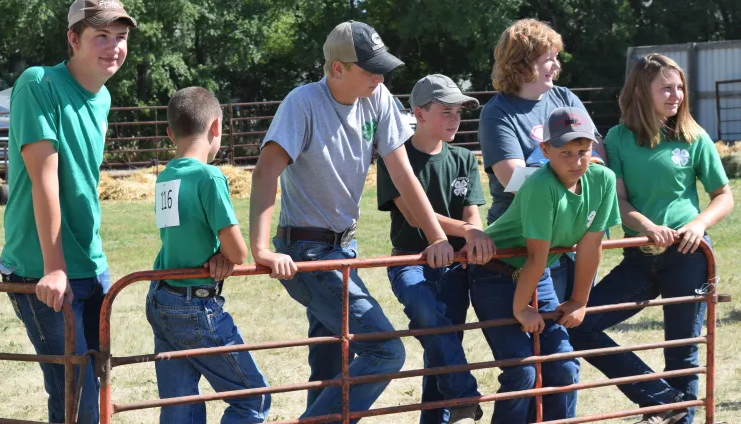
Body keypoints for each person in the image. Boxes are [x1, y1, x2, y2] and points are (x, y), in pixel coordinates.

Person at [248, 20, 455, 421]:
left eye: (382, 68)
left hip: (345, 246)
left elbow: (402, 173)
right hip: (306, 251)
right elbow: (265, 171)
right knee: (385, 350)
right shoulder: (302, 102)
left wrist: (436, 237)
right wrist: (260, 249)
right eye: (371, 68)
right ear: (337, 69)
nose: (380, 76)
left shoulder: (376, 100)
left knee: (331, 356)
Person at [568, 54, 734, 424]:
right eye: (666, 88)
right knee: (582, 324)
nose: (675, 95)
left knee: (681, 354)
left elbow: (723, 195)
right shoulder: (618, 138)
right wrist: (644, 226)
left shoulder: (693, 136)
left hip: (688, 256)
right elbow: (619, 199)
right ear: (642, 91)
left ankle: (678, 412)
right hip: (639, 257)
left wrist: (697, 224)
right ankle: (660, 398)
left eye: (679, 87)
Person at [0, 1, 136, 422]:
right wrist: (55, 268)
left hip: (90, 266)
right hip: (44, 269)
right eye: (101, 36)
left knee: (96, 388)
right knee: (78, 401)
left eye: (121, 37)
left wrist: (87, 261)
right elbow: (45, 178)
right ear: (73, 39)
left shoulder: (103, 97)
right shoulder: (39, 83)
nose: (114, 47)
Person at [470, 107, 620, 423]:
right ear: (545, 150)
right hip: (495, 274)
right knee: (522, 371)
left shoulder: (603, 180)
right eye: (565, 152)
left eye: (583, 151)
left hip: (538, 276)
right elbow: (536, 257)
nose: (576, 161)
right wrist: (522, 307)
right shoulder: (540, 186)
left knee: (564, 365)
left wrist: (580, 300)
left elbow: (591, 247)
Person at [145, 87, 270, 424]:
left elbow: (183, 233)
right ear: (217, 127)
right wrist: (224, 254)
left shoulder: (165, 176)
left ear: (171, 133)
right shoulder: (210, 176)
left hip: (162, 297)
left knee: (180, 406)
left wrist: (218, 252)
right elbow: (238, 251)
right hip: (195, 305)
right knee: (253, 399)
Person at [377, 74, 493, 424]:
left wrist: (473, 232)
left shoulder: (462, 158)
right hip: (410, 261)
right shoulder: (395, 158)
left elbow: (472, 209)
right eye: (446, 111)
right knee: (427, 314)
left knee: (441, 348)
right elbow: (413, 214)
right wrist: (469, 231)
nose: (455, 119)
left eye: (459, 112)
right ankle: (464, 394)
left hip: (455, 266)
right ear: (420, 113)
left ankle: (447, 411)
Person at [478, 18, 607, 303]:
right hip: (528, 239)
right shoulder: (497, 112)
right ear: (521, 63)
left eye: (556, 58)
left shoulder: (566, 99)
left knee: (575, 320)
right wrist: (571, 172)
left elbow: (597, 158)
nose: (556, 66)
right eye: (548, 59)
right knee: (546, 329)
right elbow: (512, 179)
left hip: (576, 233)